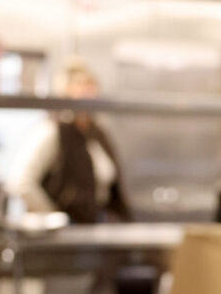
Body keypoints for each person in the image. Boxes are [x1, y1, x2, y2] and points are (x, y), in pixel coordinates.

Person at [10, 57, 131, 223]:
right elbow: (22, 183)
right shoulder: (52, 131)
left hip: (97, 224)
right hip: (67, 230)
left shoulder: (97, 134)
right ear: (66, 94)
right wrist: (53, 216)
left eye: (92, 89)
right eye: (83, 89)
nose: (90, 95)